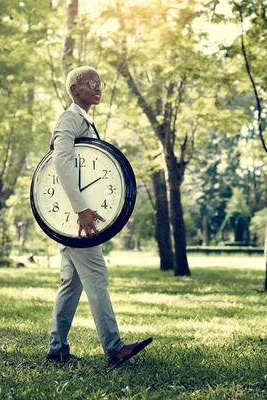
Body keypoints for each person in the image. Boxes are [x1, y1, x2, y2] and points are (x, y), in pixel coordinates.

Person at [46, 66, 152, 368]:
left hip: (74, 219)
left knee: (71, 283)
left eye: (99, 83)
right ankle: (115, 348)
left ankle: (57, 349)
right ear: (75, 88)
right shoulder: (69, 119)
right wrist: (81, 209)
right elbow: (61, 161)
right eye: (90, 83)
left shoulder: (85, 121)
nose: (98, 87)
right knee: (96, 276)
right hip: (77, 220)